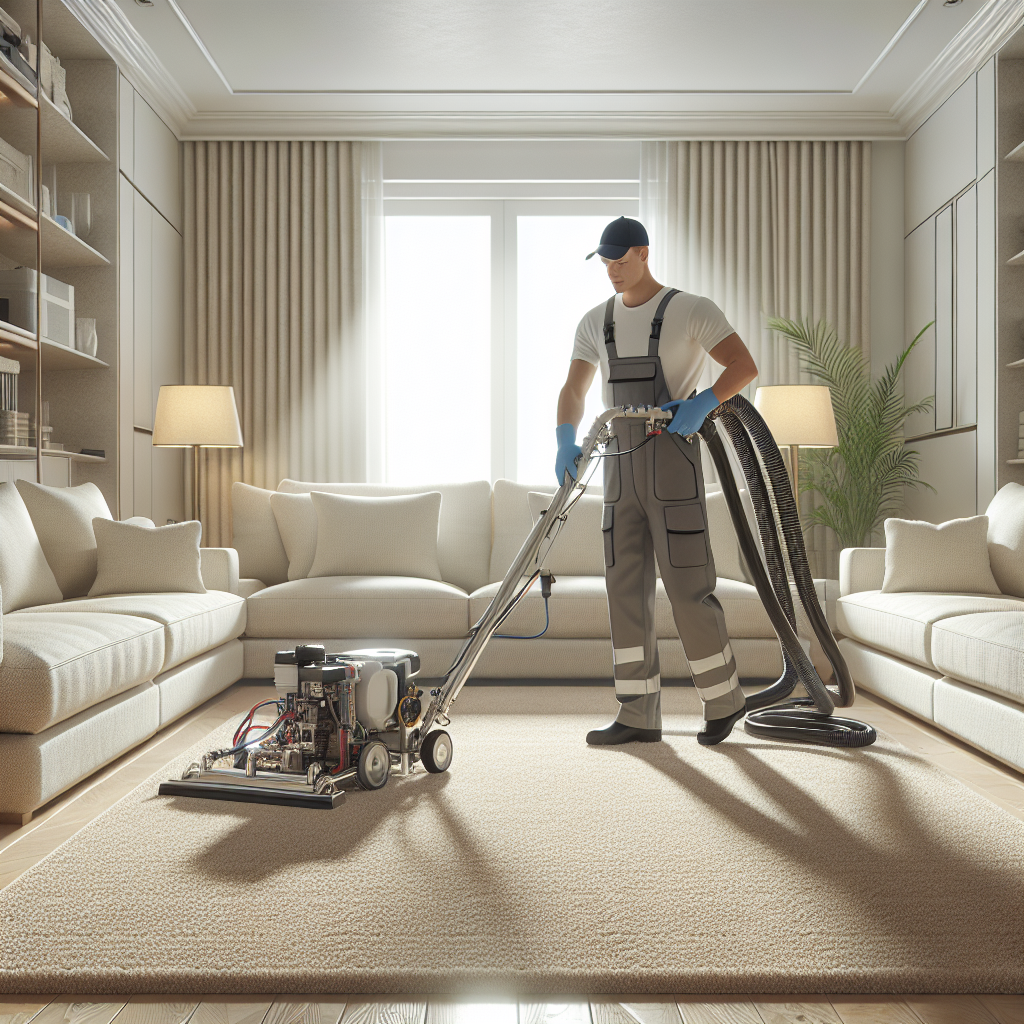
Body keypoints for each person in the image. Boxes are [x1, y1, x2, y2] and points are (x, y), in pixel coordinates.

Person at [556, 216, 758, 746]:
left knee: (689, 586)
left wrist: (706, 402)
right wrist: (563, 437)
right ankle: (638, 713)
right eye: (605, 261)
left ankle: (722, 700)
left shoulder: (690, 309)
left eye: (621, 260)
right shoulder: (594, 321)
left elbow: (743, 364)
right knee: (624, 588)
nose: (612, 271)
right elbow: (574, 390)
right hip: (617, 462)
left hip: (672, 458)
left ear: (644, 254)